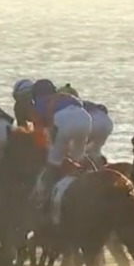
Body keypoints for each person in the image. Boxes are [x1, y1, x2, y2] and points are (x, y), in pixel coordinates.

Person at [29, 79, 92, 209]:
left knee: (53, 163)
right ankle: (92, 177)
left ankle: (43, 197)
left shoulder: (38, 105)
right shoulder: (67, 96)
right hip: (85, 118)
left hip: (63, 120)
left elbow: (40, 137)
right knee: (79, 158)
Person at [56, 83, 113, 166]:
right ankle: (100, 165)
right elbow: (103, 109)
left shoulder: (63, 105)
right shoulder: (85, 103)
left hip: (91, 122)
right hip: (106, 122)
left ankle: (82, 168)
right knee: (94, 151)